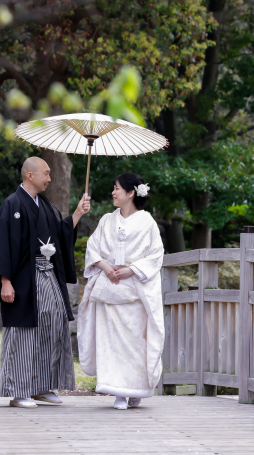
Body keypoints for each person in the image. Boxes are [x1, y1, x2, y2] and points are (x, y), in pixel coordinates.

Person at [0, 157, 91, 408]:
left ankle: (42, 386)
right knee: (23, 334)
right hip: (23, 280)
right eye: (46, 173)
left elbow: (61, 233)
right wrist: (5, 282)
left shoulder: (45, 205)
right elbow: (2, 245)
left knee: (52, 328)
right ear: (30, 175)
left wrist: (77, 212)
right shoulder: (12, 204)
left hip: (48, 277)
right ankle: (19, 390)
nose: (50, 178)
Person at [77, 173, 165, 410]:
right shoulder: (107, 219)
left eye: (117, 188)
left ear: (131, 193)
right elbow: (93, 248)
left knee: (136, 343)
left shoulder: (147, 223)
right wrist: (105, 266)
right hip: (109, 289)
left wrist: (131, 270)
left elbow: (156, 255)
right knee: (112, 343)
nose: (113, 193)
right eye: (113, 188)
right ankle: (118, 393)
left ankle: (136, 389)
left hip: (134, 291)